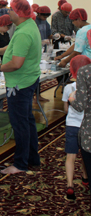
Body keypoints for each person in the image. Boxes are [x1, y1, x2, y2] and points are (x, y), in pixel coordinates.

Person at [0, 0, 42, 175]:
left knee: (20, 124)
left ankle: (20, 164)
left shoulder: (22, 32)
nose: (8, 13)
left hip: (20, 83)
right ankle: (32, 158)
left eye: (11, 10)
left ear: (18, 13)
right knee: (27, 121)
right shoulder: (28, 25)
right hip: (28, 79)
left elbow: (16, 63)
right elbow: (14, 48)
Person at [62, 56, 91, 200]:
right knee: (86, 155)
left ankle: (70, 185)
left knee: (70, 156)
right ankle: (86, 178)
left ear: (71, 71)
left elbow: (66, 109)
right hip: (86, 127)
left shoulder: (68, 88)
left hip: (72, 125)